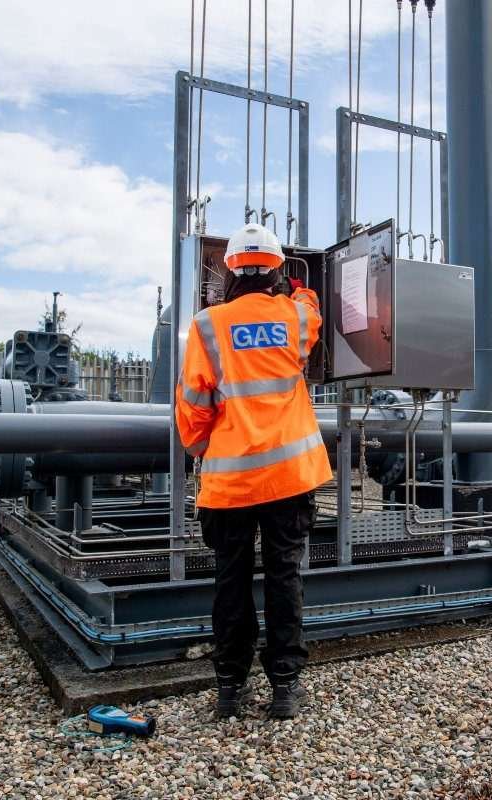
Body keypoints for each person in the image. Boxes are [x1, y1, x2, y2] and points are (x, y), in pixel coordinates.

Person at [175, 223, 332, 720]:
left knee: (231, 580)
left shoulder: (206, 325)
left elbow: (194, 404)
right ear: (278, 269)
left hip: (230, 481)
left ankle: (229, 688)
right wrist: (300, 284)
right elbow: (311, 303)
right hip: (288, 477)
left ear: (229, 271)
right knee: (284, 576)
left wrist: (201, 447)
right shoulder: (296, 317)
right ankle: (285, 688)